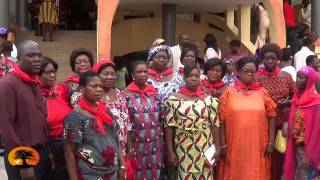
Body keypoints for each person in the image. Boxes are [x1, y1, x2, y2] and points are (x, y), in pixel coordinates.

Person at [218, 57, 276, 180]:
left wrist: (271, 142)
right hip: (234, 146)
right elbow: (221, 121)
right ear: (238, 72)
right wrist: (222, 145)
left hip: (258, 145)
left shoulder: (262, 93)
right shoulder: (228, 93)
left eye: (253, 72)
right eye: (246, 71)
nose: (250, 74)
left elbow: (272, 117)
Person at [0, 40, 52, 179]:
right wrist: (24, 163)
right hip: (23, 157)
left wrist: (48, 152)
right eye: (31, 55)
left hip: (41, 151)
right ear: (18, 59)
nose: (37, 59)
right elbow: (6, 127)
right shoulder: (8, 84)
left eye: (39, 55)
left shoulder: (33, 82)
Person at [64, 71, 126, 180]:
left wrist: (122, 165)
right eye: (94, 86)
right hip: (89, 174)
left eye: (100, 86)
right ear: (82, 89)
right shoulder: (76, 117)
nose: (98, 89)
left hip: (112, 172)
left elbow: (115, 140)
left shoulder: (106, 112)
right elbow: (68, 151)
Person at [165, 64, 220, 179]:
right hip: (184, 146)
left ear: (200, 78)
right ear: (184, 78)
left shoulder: (209, 100)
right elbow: (169, 127)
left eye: (196, 76)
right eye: (190, 76)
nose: (193, 78)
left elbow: (215, 125)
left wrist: (218, 148)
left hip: (205, 145)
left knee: (205, 174)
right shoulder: (173, 100)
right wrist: (170, 152)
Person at [257, 43, 296, 180]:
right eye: (267, 58)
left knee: (283, 156)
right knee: (268, 155)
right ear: (262, 59)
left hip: (284, 123)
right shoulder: (257, 78)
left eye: (273, 58)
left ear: (278, 59)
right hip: (265, 123)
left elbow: (296, 97)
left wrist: (288, 102)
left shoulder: (286, 76)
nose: (270, 61)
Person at [125, 61, 163, 179]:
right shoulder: (126, 95)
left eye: (145, 72)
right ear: (132, 74)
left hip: (155, 144)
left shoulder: (154, 93)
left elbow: (161, 117)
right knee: (137, 173)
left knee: (154, 173)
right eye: (139, 72)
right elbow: (126, 123)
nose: (143, 74)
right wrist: (129, 147)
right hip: (136, 144)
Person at [284, 66, 320, 180]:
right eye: (297, 77)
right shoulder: (297, 99)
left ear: (310, 80)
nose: (298, 80)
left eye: (302, 78)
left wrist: (310, 153)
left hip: (309, 147)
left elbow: (317, 130)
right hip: (296, 145)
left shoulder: (316, 102)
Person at [39, 56, 72, 180]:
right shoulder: (33, 96)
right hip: (48, 147)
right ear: (37, 74)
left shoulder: (60, 91)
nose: (53, 75)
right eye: (48, 73)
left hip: (67, 144)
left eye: (54, 72)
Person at [92, 60, 130, 156]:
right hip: (102, 150)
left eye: (113, 74)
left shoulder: (120, 95)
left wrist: (130, 146)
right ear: (96, 75)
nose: (110, 77)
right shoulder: (91, 97)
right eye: (105, 74)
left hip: (122, 149)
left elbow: (127, 122)